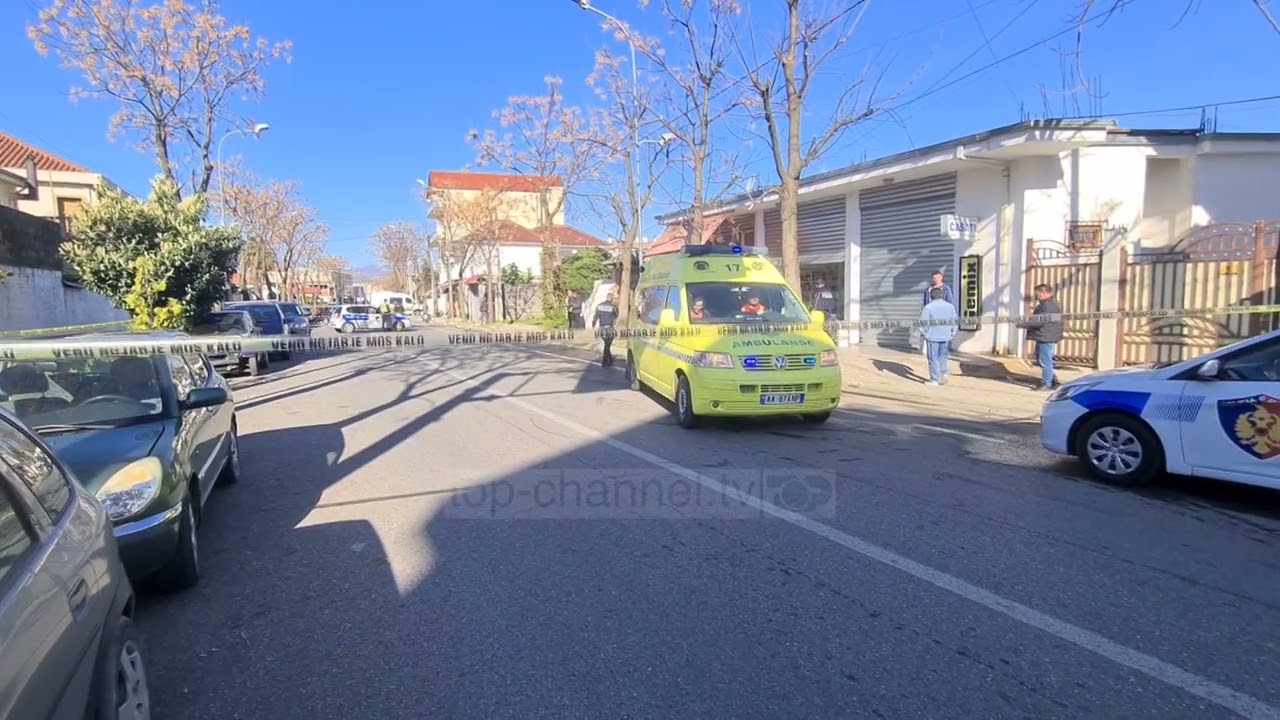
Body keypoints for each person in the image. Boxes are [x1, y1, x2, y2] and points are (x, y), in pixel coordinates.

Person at [1019, 284, 1063, 391]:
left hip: (1046, 336)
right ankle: (1052, 380)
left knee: (1045, 361)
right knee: (1043, 359)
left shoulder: (1048, 305)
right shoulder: (1049, 304)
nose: (1036, 296)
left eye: (1037, 294)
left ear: (1043, 293)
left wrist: (1023, 324)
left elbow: (1039, 321)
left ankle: (1046, 384)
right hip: (1045, 335)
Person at [919, 287, 958, 386]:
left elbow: (923, 323)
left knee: (932, 358)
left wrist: (923, 333)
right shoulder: (950, 307)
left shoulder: (928, 307)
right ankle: (944, 373)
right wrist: (952, 333)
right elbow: (954, 321)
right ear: (942, 296)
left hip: (932, 336)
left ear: (931, 297)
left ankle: (934, 380)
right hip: (945, 336)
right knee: (942, 356)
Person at [920, 271, 955, 355]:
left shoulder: (946, 289)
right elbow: (925, 303)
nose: (936, 279)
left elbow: (950, 302)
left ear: (941, 277)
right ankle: (930, 351)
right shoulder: (928, 289)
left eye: (938, 277)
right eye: (934, 278)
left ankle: (942, 351)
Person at [593, 292, 619, 367]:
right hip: (609, 327)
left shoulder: (599, 306)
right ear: (612, 299)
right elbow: (616, 315)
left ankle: (610, 359)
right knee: (607, 344)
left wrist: (593, 325)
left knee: (607, 344)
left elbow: (595, 316)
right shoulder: (613, 306)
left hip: (602, 327)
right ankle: (605, 361)